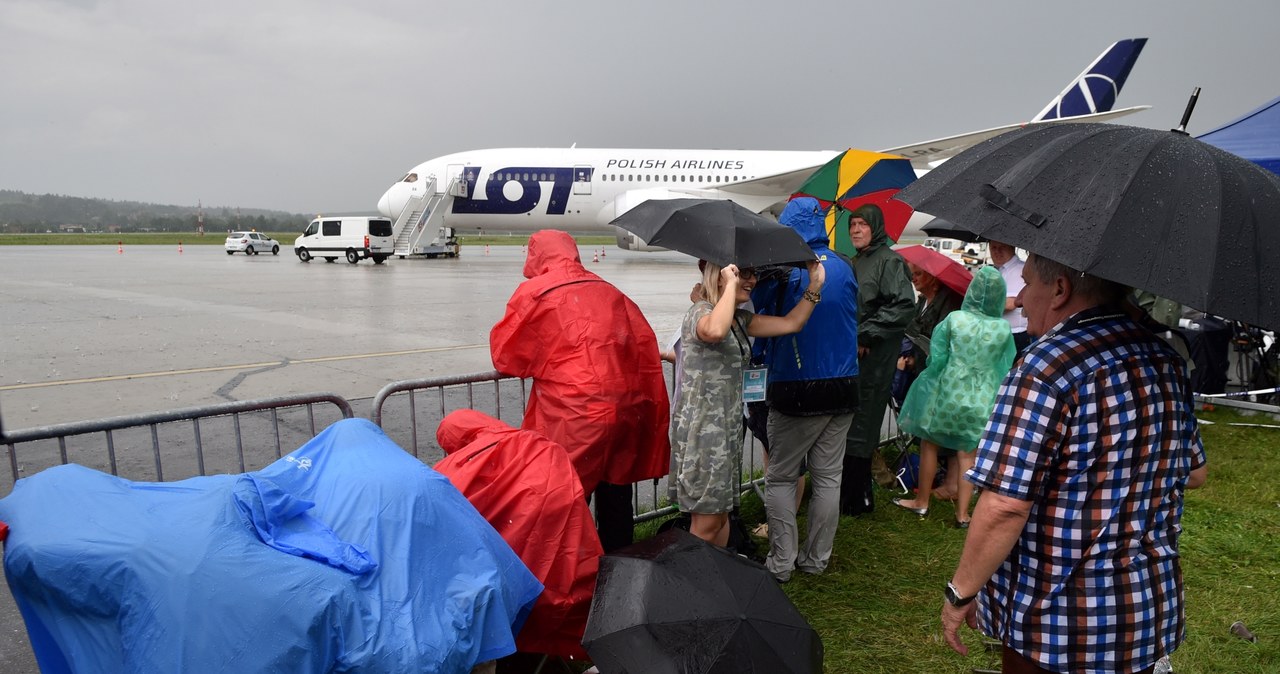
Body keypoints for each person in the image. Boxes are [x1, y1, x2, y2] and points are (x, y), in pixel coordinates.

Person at [941, 253, 1208, 674]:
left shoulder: (1045, 367)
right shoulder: (1167, 360)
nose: (1022, 298)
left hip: (1059, 622)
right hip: (1144, 609)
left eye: (1027, 283)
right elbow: (1194, 472)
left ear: (1061, 289)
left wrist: (961, 593)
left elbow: (1005, 504)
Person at [490, 230, 670, 552]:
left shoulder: (535, 292)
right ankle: (619, 572)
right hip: (624, 410)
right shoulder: (608, 290)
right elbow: (640, 345)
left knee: (565, 497)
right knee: (616, 494)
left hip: (573, 416)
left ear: (536, 255)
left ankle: (574, 576)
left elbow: (506, 356)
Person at [670, 258, 825, 546]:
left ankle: (721, 580)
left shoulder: (738, 321)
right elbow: (713, 331)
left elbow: (792, 323)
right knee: (705, 522)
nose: (751, 280)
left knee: (720, 517)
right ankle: (694, 584)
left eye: (752, 274)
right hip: (703, 436)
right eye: (743, 274)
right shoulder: (700, 312)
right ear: (720, 276)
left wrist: (814, 287)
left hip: (725, 432)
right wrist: (730, 284)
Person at [750, 197, 860, 583]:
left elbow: (755, 316)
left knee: (781, 476)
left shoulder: (783, 271)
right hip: (844, 382)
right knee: (828, 477)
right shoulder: (845, 267)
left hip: (796, 384)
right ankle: (817, 559)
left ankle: (781, 562)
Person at [435, 409, 601, 661]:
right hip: (561, 556)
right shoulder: (536, 444)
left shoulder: (460, 465)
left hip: (516, 570)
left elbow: (447, 509)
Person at [892, 266, 1015, 527]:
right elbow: (1005, 365)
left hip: (948, 391)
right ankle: (962, 515)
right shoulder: (1003, 329)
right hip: (981, 396)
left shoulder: (955, 319)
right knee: (967, 453)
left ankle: (921, 502)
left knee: (929, 444)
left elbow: (937, 357)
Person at [840, 204, 916, 516]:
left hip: (874, 357)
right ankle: (851, 495)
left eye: (862, 224)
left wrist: (865, 335)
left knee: (864, 421)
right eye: (852, 225)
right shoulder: (856, 261)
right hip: (853, 356)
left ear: (875, 227)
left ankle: (858, 501)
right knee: (850, 422)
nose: (856, 230)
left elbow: (902, 306)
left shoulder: (890, 261)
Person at [897, 262, 965, 499]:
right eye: (912, 274)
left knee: (942, 429)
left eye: (918, 274)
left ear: (933, 279)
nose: (913, 278)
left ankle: (951, 484)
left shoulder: (948, 302)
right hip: (924, 370)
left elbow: (944, 338)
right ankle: (945, 480)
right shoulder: (922, 300)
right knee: (933, 430)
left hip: (942, 374)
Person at [987, 241, 1030, 353]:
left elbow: (1011, 304)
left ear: (1012, 247)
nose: (997, 251)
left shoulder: (1019, 270)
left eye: (1002, 247)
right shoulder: (997, 270)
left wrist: (982, 304)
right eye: (993, 248)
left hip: (1015, 334)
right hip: (1000, 332)